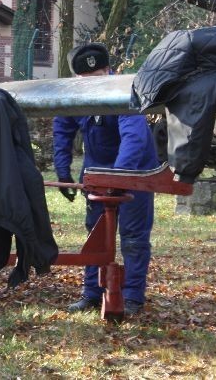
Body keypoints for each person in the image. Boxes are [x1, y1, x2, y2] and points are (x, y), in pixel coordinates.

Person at [52, 42, 159, 316]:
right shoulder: (74, 95)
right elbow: (62, 128)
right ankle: (92, 293)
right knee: (96, 234)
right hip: (97, 171)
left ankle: (133, 297)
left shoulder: (124, 91)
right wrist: (63, 170)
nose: (92, 85)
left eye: (97, 77)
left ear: (107, 70)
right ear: (77, 79)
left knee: (133, 238)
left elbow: (133, 138)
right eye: (85, 81)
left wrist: (118, 177)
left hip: (135, 173)